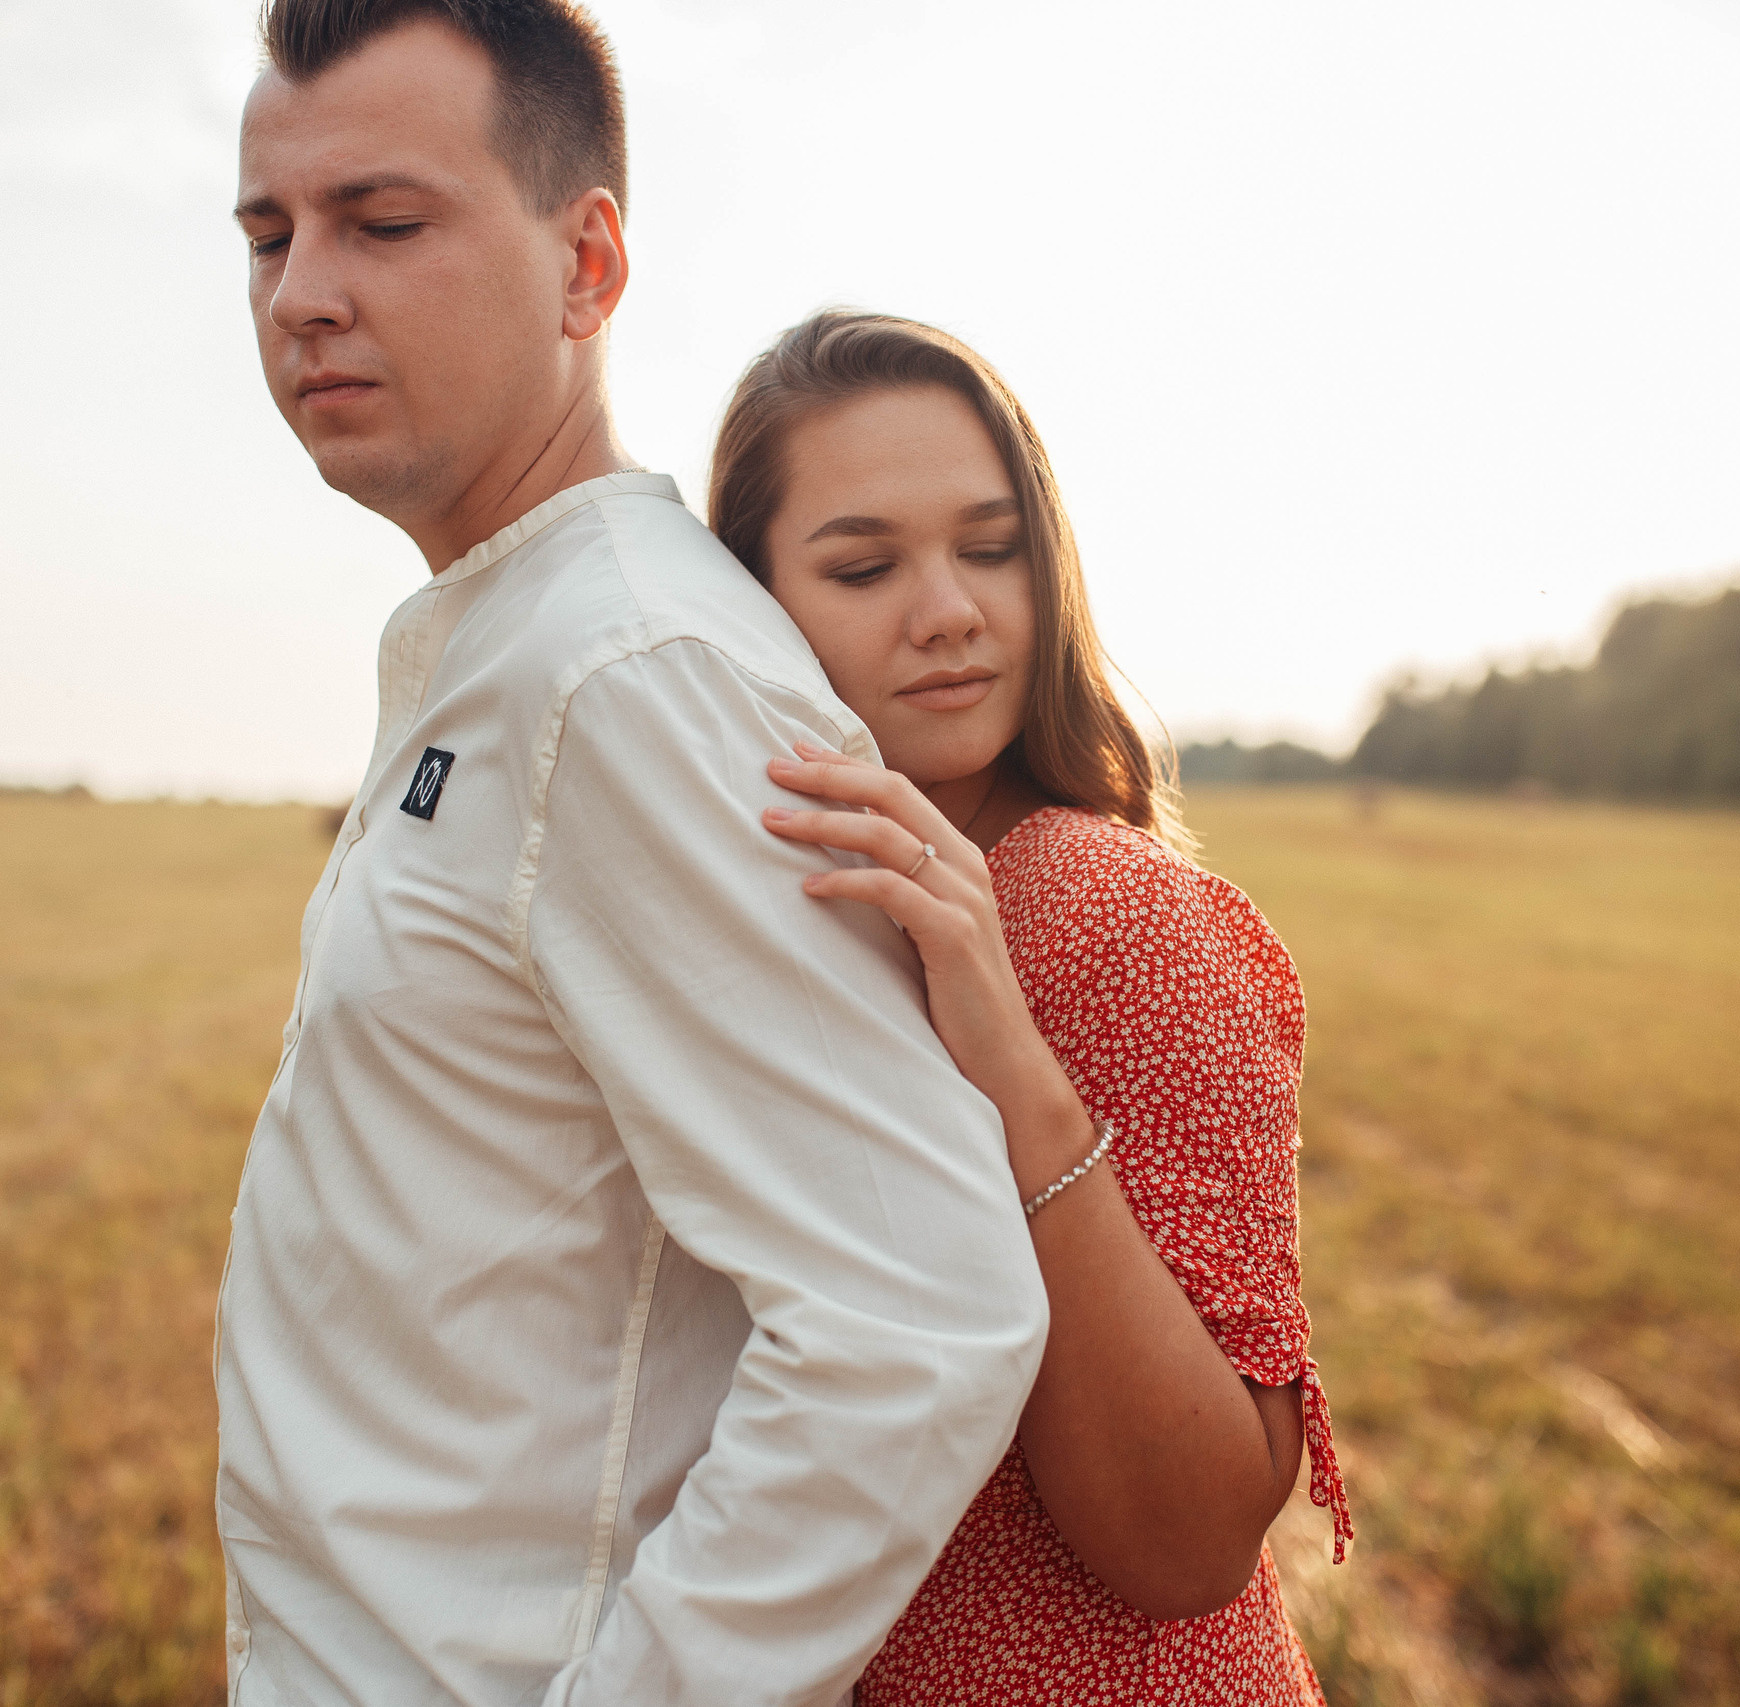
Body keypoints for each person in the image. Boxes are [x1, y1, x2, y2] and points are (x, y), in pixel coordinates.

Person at [213, 10, 1049, 1707]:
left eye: (383, 222)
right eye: (267, 231)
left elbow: (915, 1318)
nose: (303, 291)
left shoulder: (629, 671)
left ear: (588, 261)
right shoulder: (511, 639)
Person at [709, 310, 1354, 1704]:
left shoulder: (1112, 915)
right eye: (866, 565)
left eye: (991, 549)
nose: (948, 610)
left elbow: (1190, 1540)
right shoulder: (750, 934)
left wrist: (1009, 1058)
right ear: (749, 605)